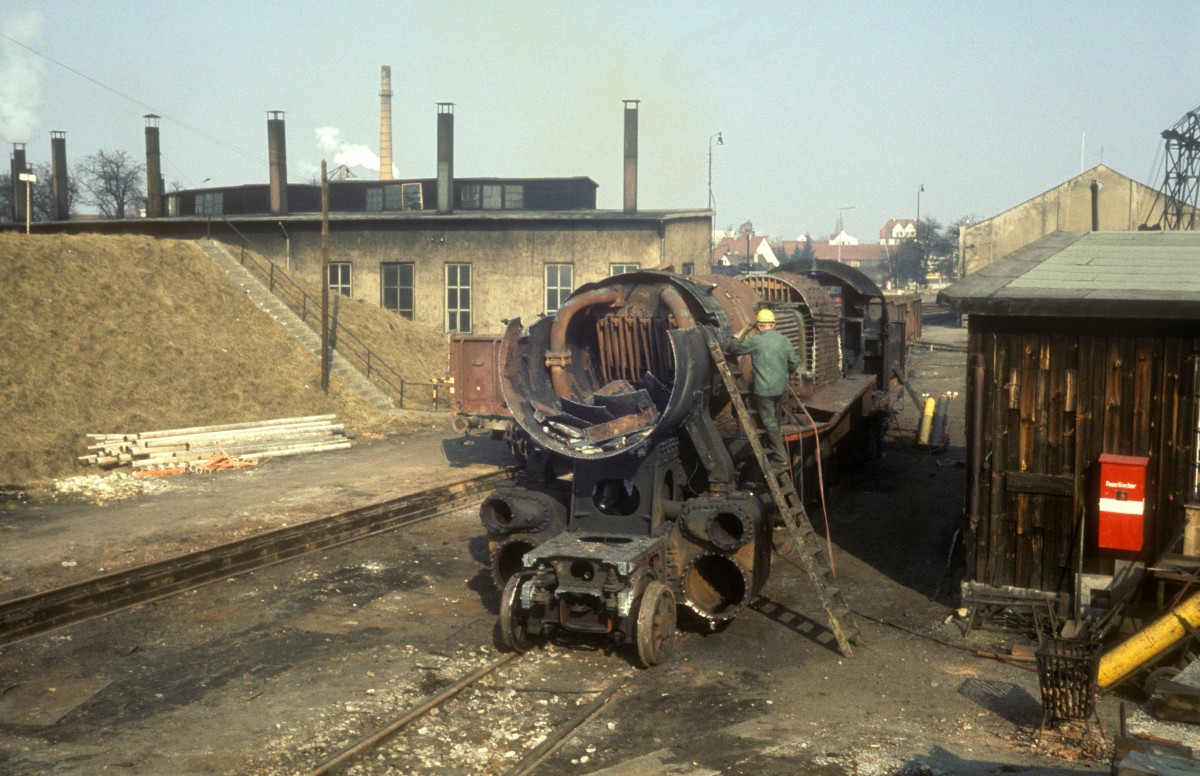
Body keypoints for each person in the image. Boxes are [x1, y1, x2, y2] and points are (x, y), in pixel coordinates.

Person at [727, 308, 801, 472]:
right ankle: (775, 450)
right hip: (780, 389)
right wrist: (783, 371)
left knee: (769, 424)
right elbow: (794, 363)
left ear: (759, 326)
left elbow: (733, 348)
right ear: (773, 325)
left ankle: (781, 459)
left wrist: (744, 329)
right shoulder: (784, 340)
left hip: (763, 391)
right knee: (775, 423)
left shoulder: (756, 341)